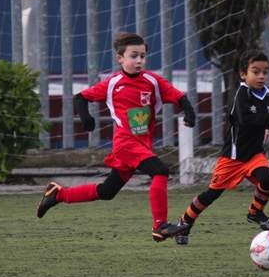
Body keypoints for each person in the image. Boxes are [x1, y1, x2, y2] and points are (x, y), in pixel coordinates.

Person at [36, 32, 196, 242]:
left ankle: (58, 195)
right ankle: (160, 226)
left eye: (142, 56)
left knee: (107, 190)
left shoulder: (152, 81)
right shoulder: (113, 83)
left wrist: (189, 113)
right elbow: (81, 97)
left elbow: (179, 97)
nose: (139, 60)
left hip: (142, 145)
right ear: (120, 58)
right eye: (133, 56)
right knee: (161, 171)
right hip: (126, 144)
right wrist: (86, 119)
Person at [175, 49, 269, 245]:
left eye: (265, 72)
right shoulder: (241, 96)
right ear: (243, 74)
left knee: (267, 179)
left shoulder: (266, 95)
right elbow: (249, 119)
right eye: (255, 71)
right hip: (233, 156)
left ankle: (255, 212)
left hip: (254, 155)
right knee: (211, 194)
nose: (261, 76)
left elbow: (263, 116)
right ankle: (185, 221)